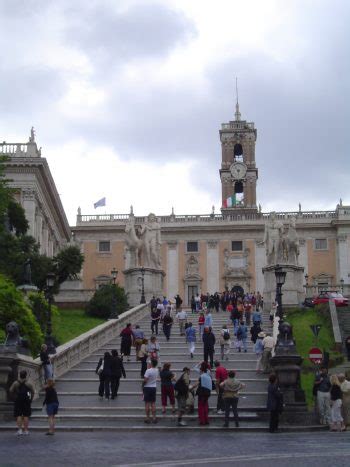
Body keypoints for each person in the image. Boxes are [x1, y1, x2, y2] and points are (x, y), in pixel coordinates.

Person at [9, 370, 35, 436]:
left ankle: (20, 430)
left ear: (19, 375)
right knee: (26, 415)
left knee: (19, 415)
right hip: (26, 400)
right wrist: (30, 399)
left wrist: (14, 398)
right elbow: (32, 392)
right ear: (25, 375)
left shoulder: (15, 383)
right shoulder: (28, 383)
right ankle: (26, 430)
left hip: (18, 400)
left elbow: (10, 390)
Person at [143, 359, 159, 424]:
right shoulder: (157, 370)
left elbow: (145, 380)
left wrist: (142, 385)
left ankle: (147, 418)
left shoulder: (148, 371)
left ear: (151, 363)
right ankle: (154, 418)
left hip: (147, 387)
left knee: (147, 403)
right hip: (154, 387)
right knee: (153, 403)